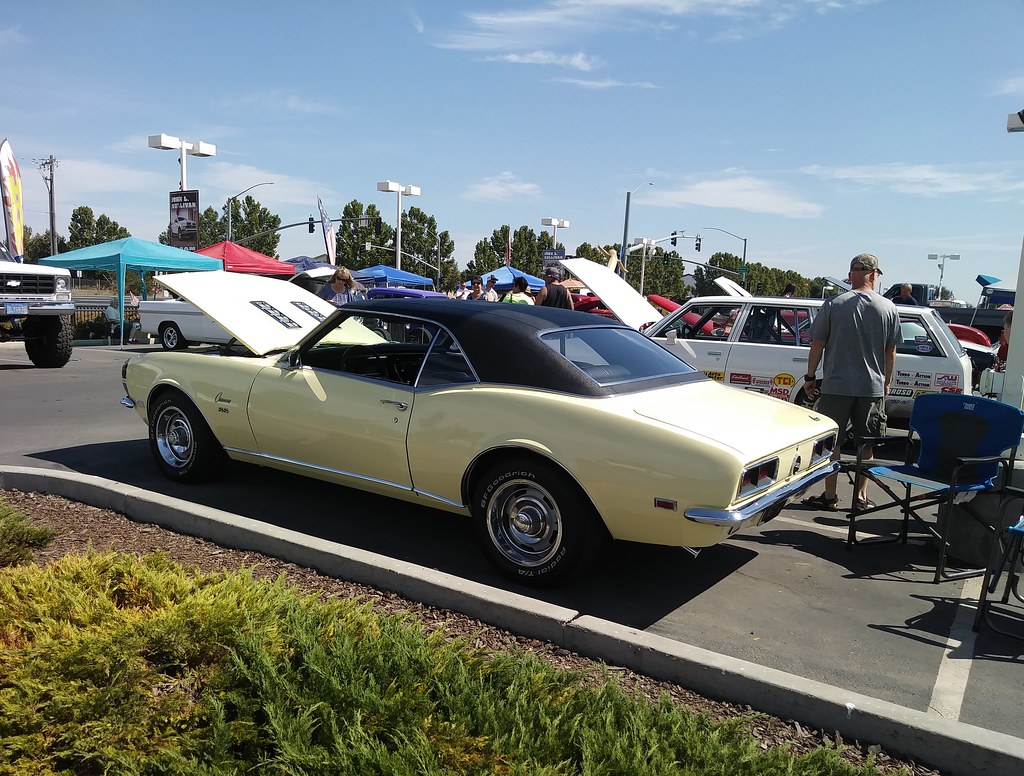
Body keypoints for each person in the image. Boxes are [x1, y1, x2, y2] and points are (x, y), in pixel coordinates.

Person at [802, 253, 900, 512]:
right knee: (866, 444)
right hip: (871, 388)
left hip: (836, 385)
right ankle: (860, 497)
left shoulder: (834, 304)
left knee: (832, 443)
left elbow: (818, 344)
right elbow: (890, 351)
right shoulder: (888, 308)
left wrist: (810, 376)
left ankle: (830, 496)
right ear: (874, 274)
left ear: (850, 275)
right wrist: (887, 382)